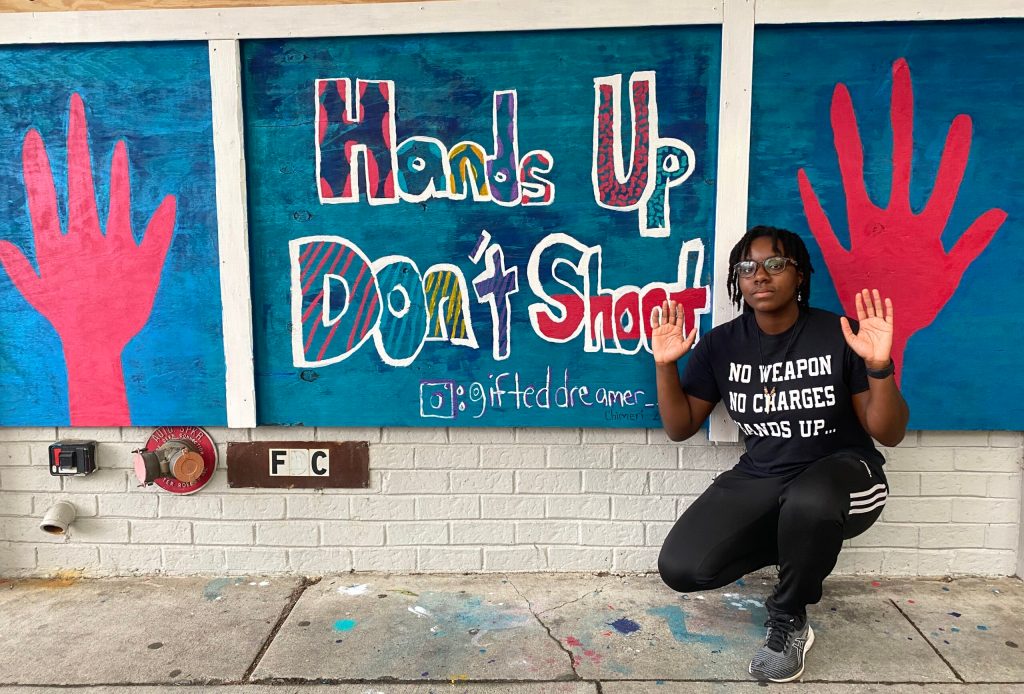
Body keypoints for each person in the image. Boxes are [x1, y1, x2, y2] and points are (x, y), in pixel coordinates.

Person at [652, 225, 909, 683]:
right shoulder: (722, 344)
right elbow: (680, 427)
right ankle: (802, 543)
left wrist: (878, 366)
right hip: (764, 474)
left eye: (775, 264)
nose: (760, 276)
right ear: (737, 279)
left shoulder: (837, 334)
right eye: (747, 267)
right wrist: (665, 365)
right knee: (681, 567)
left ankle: (789, 616)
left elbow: (887, 432)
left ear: (799, 275)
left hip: (844, 473)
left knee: (810, 500)